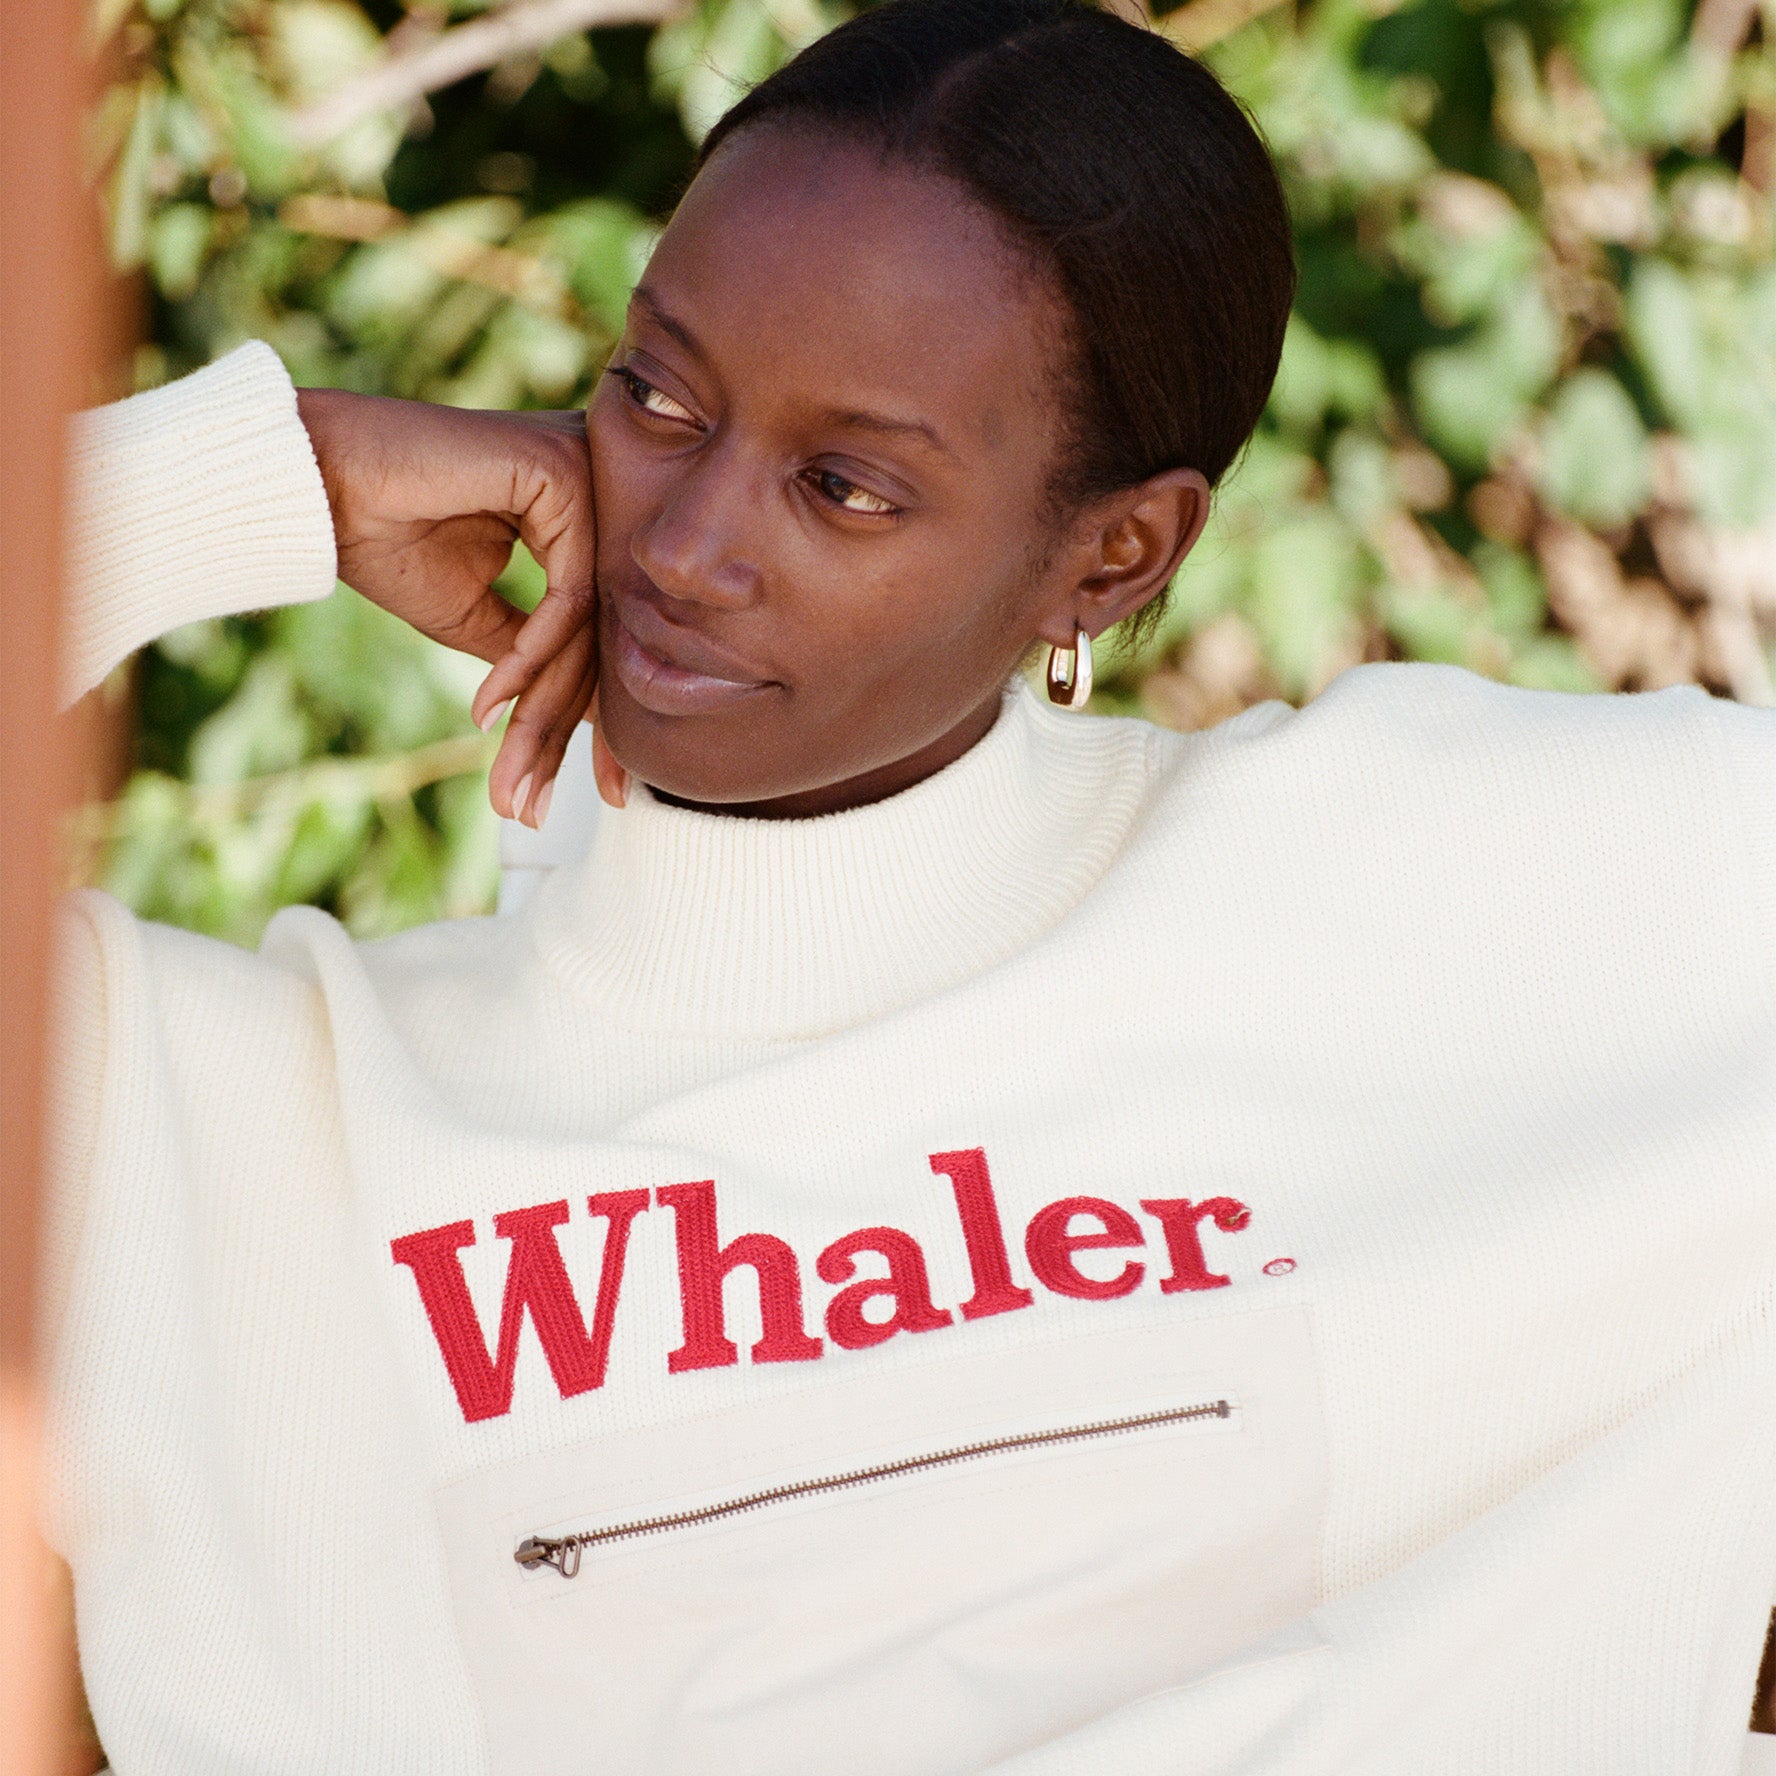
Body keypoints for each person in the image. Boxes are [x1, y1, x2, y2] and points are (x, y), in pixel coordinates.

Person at [44, 2, 1776, 1772]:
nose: (689, 542)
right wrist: (260, 483)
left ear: (1113, 556)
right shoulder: (215, 1116)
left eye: (844, 486)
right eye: (656, 393)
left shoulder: (1444, 892)